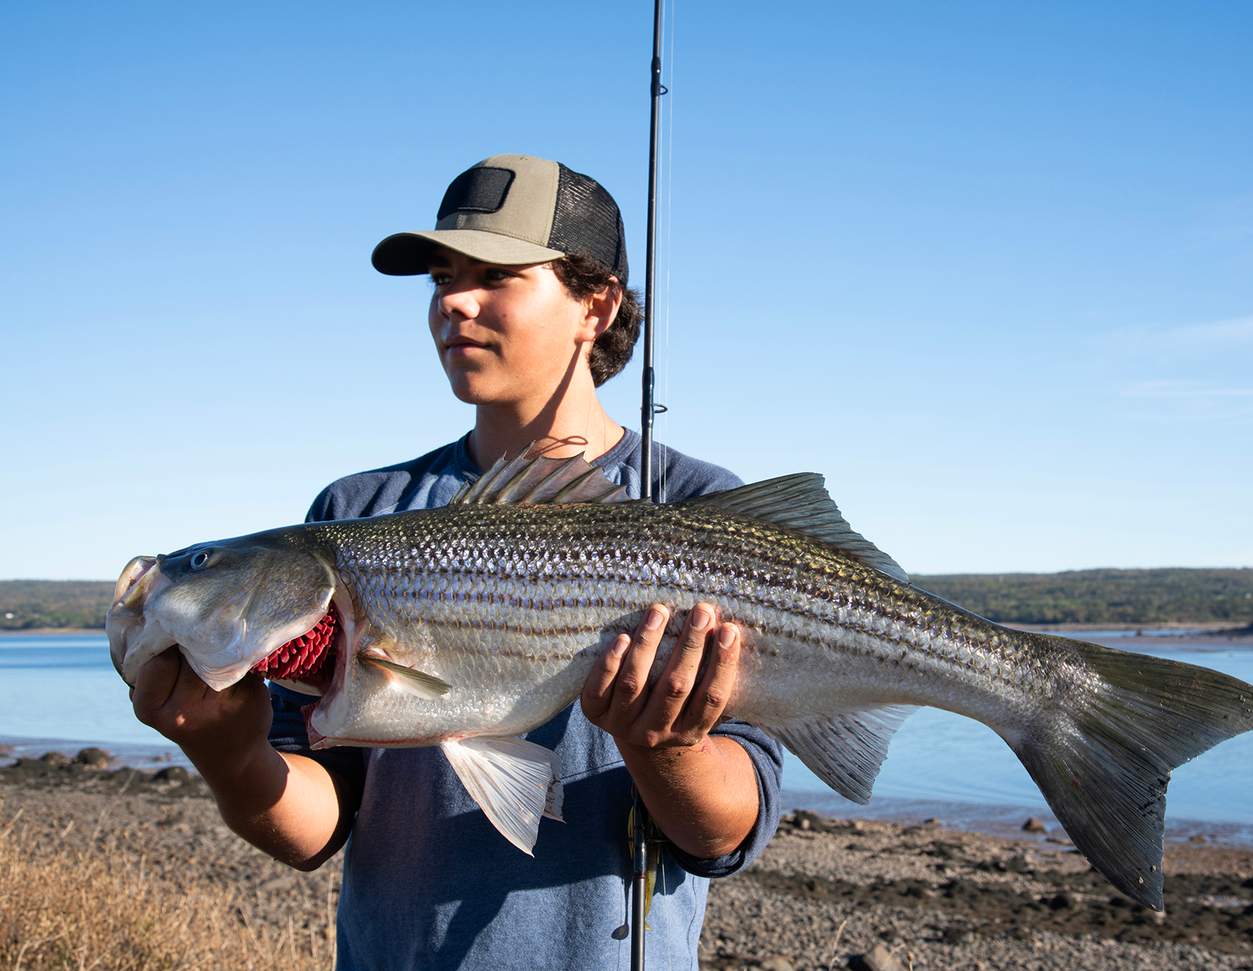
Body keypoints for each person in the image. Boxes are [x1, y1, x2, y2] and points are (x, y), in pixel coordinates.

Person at [128, 153, 783, 970]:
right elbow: (316, 825)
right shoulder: (355, 510)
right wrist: (225, 752)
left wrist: (667, 747)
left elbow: (728, 832)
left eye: (494, 275)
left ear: (597, 302)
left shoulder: (701, 508)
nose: (452, 302)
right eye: (440, 278)